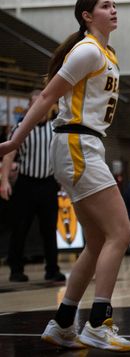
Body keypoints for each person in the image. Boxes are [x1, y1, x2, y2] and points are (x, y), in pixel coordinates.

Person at [0, 0, 130, 351]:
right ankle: (99, 322)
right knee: (120, 233)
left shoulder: (106, 52)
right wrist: (15, 140)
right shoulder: (87, 50)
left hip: (84, 144)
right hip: (77, 143)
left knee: (98, 241)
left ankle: (62, 323)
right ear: (87, 16)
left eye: (114, 5)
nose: (114, 10)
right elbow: (47, 96)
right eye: (106, 5)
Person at [0, 89, 65, 283]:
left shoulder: (55, 127)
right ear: (29, 106)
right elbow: (9, 155)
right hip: (26, 183)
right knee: (20, 228)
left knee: (49, 229)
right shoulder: (20, 127)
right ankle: (16, 269)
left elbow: (63, 155)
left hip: (48, 183)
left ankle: (52, 269)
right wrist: (4, 181)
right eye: (34, 103)